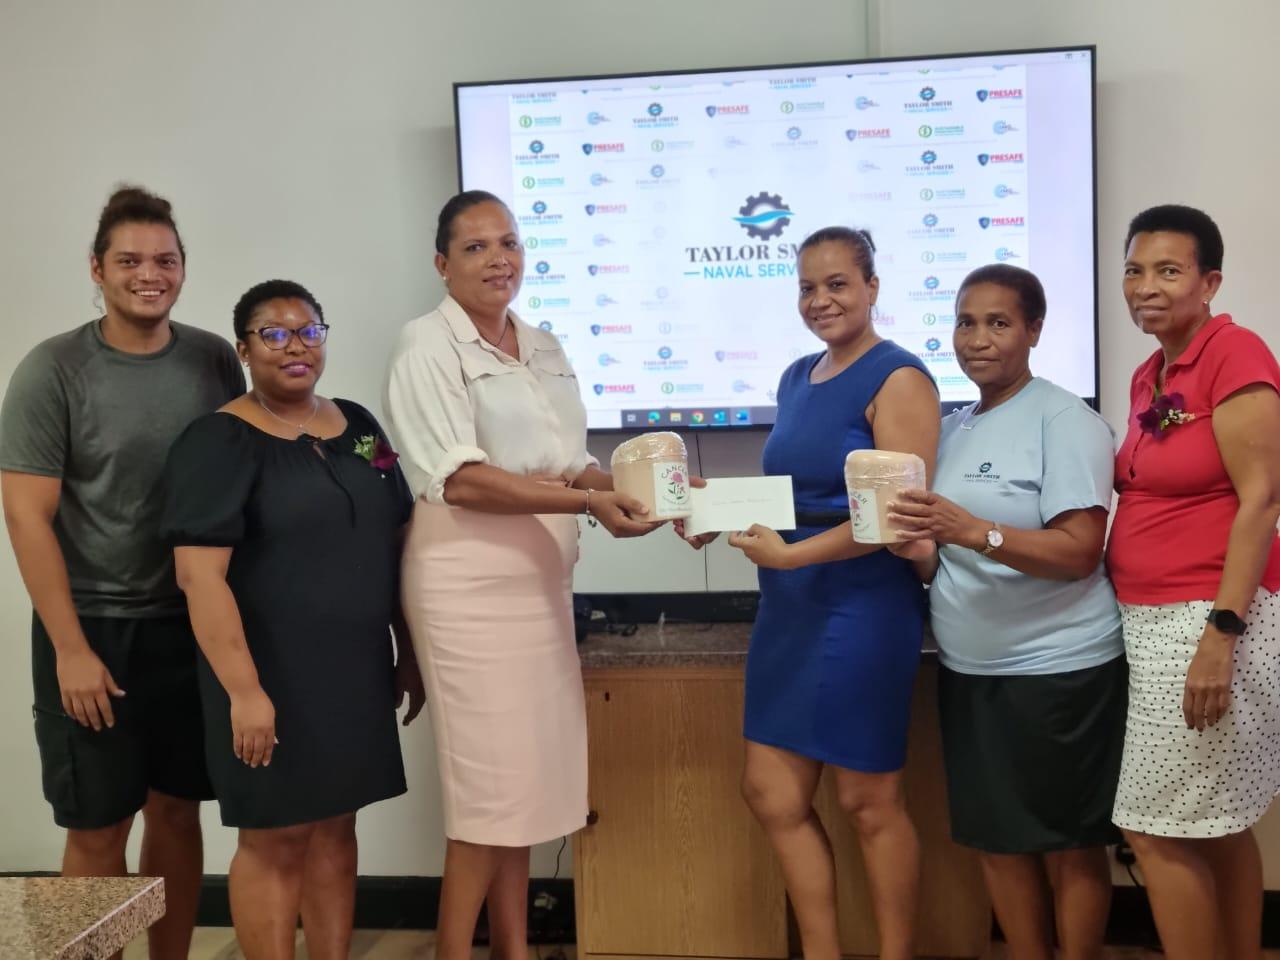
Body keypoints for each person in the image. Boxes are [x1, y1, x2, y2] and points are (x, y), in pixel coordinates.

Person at [384, 190, 658, 960]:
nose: (498, 259)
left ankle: (513, 948)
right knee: (487, 797)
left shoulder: (542, 344)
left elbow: (569, 464)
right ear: (442, 264)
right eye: (475, 247)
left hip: (540, 588)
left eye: (508, 242)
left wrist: (650, 492)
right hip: (467, 592)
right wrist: (588, 501)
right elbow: (461, 480)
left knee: (525, 792)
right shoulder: (425, 345)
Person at [680, 227, 939, 960]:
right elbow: (796, 496)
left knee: (868, 801)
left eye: (837, 284)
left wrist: (792, 557)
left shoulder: (900, 378)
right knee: (771, 793)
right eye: (807, 287)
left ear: (872, 288)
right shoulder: (798, 376)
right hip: (791, 608)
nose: (820, 300)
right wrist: (713, 511)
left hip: (862, 607)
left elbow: (893, 518)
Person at [0, 185, 243, 959]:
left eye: (165, 260)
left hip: (187, 623)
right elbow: (26, 517)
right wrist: (70, 649)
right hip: (91, 629)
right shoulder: (53, 369)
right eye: (130, 260)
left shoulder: (214, 359)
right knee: (98, 825)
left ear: (183, 267)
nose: (149, 275)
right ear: (97, 269)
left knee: (177, 811)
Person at [159, 280, 422, 960]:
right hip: (265, 674)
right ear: (244, 349)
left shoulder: (360, 430)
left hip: (354, 670)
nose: (294, 346)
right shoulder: (217, 442)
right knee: (274, 837)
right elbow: (199, 577)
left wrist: (409, 650)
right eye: (273, 334)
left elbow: (397, 535)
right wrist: (245, 692)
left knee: (336, 827)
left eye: (309, 331)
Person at [886, 264, 1126, 960]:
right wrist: (918, 551)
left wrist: (973, 531)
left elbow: (1079, 551)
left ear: (1034, 332)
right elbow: (943, 559)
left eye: (998, 323)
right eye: (966, 322)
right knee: (996, 840)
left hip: (1060, 672)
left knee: (1070, 843)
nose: (978, 339)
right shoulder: (951, 430)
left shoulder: (1066, 420)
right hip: (971, 670)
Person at [1105, 205, 1280, 960]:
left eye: (1168, 271)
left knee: (1152, 827)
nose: (1146, 286)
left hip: (1205, 619)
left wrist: (1221, 634)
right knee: (1220, 824)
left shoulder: (1233, 353)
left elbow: (1263, 499)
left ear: (1209, 283)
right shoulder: (1152, 372)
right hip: (1157, 620)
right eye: (1135, 270)